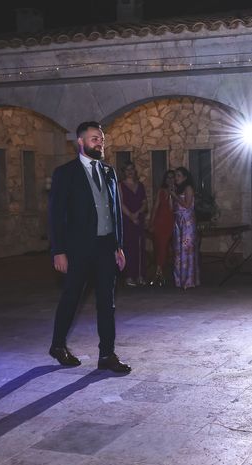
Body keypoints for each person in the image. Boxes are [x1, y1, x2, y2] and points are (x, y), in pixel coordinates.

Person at [47, 121, 131, 374]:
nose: (100, 143)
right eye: (94, 139)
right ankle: (58, 345)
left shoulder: (109, 171)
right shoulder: (65, 173)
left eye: (101, 139)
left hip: (106, 247)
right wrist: (58, 250)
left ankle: (107, 354)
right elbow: (55, 215)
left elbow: (115, 211)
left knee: (107, 302)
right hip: (77, 249)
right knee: (71, 298)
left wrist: (119, 246)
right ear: (80, 142)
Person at [119, 161, 148, 286]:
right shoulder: (120, 185)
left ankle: (140, 275)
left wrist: (138, 213)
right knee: (129, 248)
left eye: (131, 169)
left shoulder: (140, 185)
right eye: (127, 169)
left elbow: (145, 202)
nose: (130, 172)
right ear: (124, 172)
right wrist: (131, 215)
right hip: (127, 219)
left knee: (140, 247)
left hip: (139, 218)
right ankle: (129, 276)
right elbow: (120, 203)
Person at [170, 166, 200, 290]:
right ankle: (179, 280)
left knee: (186, 249)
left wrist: (175, 196)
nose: (176, 178)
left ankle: (188, 280)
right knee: (178, 250)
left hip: (187, 222)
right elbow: (173, 207)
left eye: (178, 176)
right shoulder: (177, 189)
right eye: (175, 176)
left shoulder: (188, 188)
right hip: (178, 222)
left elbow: (187, 205)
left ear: (185, 177)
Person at [148, 169, 175, 286]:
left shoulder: (177, 191)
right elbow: (155, 207)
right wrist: (151, 222)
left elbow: (173, 208)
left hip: (172, 222)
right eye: (168, 177)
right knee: (160, 246)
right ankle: (159, 272)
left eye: (172, 177)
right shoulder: (161, 191)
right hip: (160, 221)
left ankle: (161, 273)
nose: (170, 179)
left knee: (168, 248)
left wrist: (172, 193)